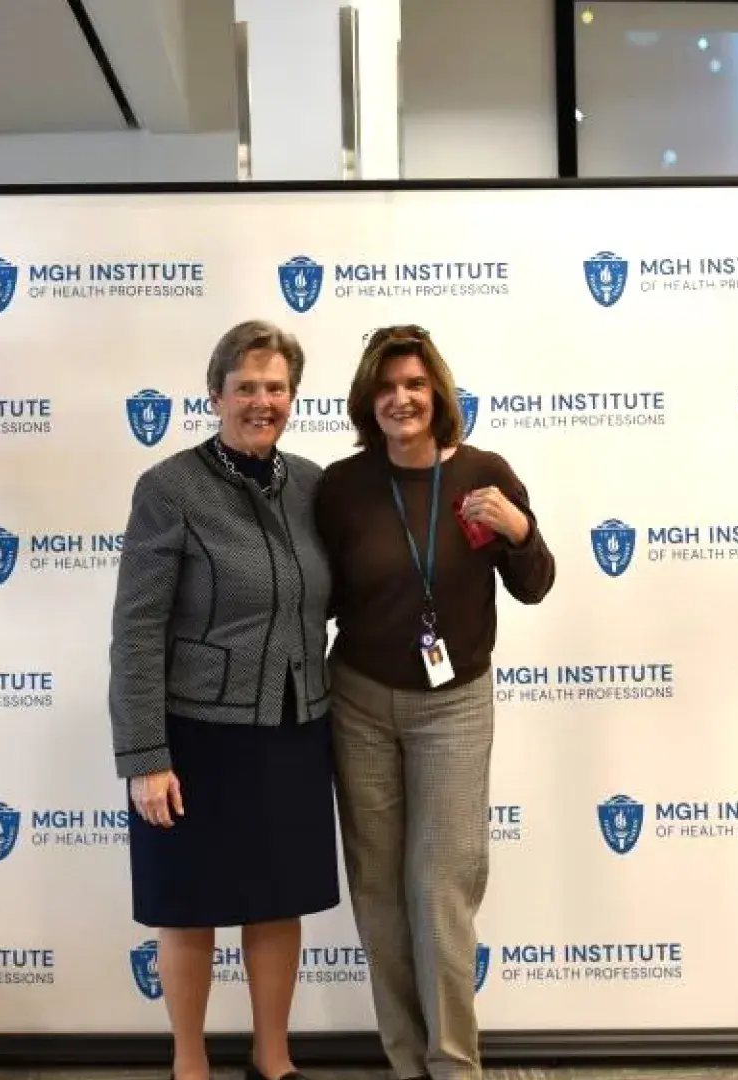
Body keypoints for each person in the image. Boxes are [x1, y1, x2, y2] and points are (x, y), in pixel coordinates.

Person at [314, 325, 556, 1080]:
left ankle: (454, 1064)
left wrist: (519, 530)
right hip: (357, 702)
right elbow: (311, 595)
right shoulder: (343, 487)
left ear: (438, 393)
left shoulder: (485, 475)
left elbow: (535, 583)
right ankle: (404, 1059)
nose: (401, 399)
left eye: (415, 385)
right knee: (379, 889)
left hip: (452, 706)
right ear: (368, 400)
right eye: (386, 388)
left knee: (442, 885)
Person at [110, 319, 337, 1080]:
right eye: (246, 387)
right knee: (189, 906)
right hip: (195, 736)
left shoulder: (311, 483)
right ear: (216, 395)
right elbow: (136, 630)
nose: (261, 401)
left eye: (276, 387)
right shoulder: (169, 488)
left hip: (293, 726)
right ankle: (189, 1063)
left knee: (278, 902)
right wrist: (145, 756)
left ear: (293, 398)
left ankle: (274, 1059)